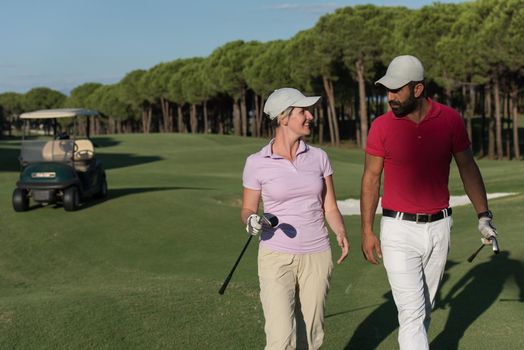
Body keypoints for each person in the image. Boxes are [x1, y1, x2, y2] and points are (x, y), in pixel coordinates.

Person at [360, 55, 498, 350]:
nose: (390, 97)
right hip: (397, 230)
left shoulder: (450, 120)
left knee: (423, 308)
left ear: (418, 89)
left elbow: (468, 168)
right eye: (387, 90)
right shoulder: (381, 126)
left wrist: (483, 215)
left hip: (439, 229)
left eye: (397, 90)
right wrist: (367, 230)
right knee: (411, 313)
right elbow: (371, 179)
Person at [241, 87, 350, 350]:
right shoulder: (257, 162)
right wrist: (251, 220)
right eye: (303, 111)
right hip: (276, 256)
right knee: (280, 339)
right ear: (283, 117)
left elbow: (330, 206)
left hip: (317, 254)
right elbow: (247, 208)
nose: (310, 116)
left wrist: (341, 232)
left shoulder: (319, 157)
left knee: (311, 338)